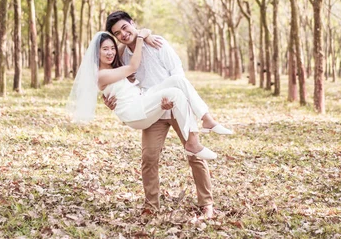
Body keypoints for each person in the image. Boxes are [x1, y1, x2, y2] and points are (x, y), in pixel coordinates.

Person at [104, 11, 233, 218]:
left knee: (195, 154)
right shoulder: (121, 57)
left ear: (132, 23)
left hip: (176, 105)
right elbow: (114, 83)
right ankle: (151, 206)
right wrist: (111, 100)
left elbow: (177, 72)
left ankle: (206, 203)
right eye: (117, 33)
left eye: (125, 28)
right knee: (149, 157)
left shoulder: (157, 43)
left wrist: (172, 98)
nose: (123, 34)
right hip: (151, 109)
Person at [68, 30, 218, 160]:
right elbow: (133, 65)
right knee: (175, 93)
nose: (110, 52)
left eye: (112, 48)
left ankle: (207, 119)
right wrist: (141, 38)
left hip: (142, 99)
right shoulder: (101, 75)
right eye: (105, 49)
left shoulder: (114, 66)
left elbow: (126, 39)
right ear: (97, 52)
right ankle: (193, 142)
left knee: (178, 80)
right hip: (134, 112)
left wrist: (144, 33)